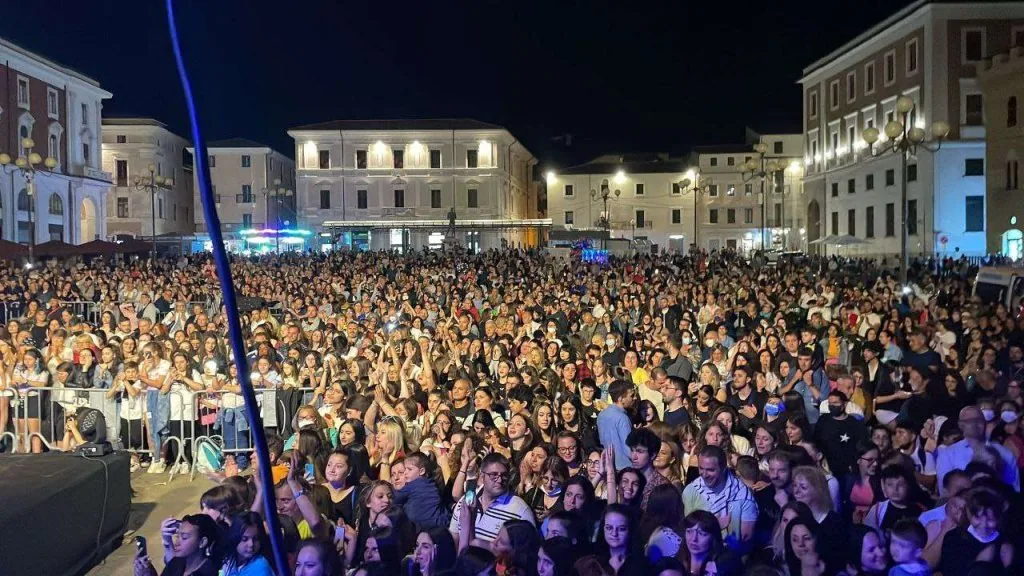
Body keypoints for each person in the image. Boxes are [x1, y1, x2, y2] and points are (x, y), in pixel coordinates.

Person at [681, 445, 757, 552]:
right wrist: (716, 525)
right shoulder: (691, 491)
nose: (704, 475)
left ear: (723, 469)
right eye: (701, 468)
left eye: (710, 470)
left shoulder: (743, 496)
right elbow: (687, 532)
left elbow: (746, 541)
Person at [451, 453, 535, 544]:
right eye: (494, 475)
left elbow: (529, 550)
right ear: (482, 476)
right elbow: (454, 540)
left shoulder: (520, 510)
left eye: (504, 475)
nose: (499, 480)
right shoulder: (465, 502)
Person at [936, 406, 1020, 495]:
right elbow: (945, 493)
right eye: (969, 421)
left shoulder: (1005, 453)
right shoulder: (947, 455)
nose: (974, 424)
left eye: (978, 420)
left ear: (984, 423)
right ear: (960, 425)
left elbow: (1014, 489)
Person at [133, 514, 220, 576]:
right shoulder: (176, 562)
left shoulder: (208, 572)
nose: (177, 542)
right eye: (177, 536)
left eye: (184, 537)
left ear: (202, 542)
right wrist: (147, 572)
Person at [597, 380, 636, 471]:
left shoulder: (601, 415)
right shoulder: (622, 418)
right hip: (625, 468)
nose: (635, 398)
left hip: (608, 466)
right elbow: (628, 448)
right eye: (631, 396)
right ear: (621, 398)